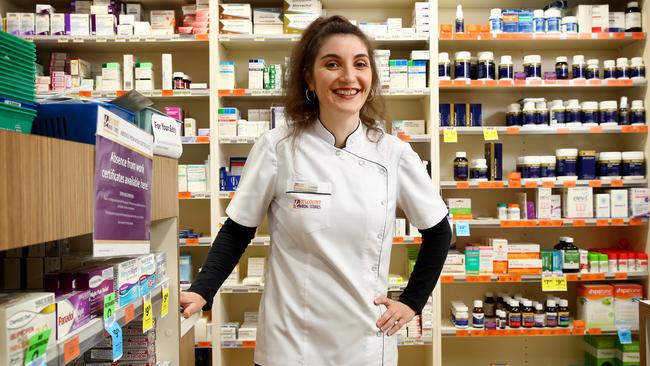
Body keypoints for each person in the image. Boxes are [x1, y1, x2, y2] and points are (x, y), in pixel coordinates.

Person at [180, 15, 452, 366]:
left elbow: (439, 230)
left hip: (365, 342)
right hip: (291, 343)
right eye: (332, 64)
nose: (348, 77)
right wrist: (203, 290)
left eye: (360, 64)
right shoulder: (278, 148)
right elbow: (238, 228)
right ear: (309, 76)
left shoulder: (393, 154)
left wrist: (412, 302)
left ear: (371, 76)